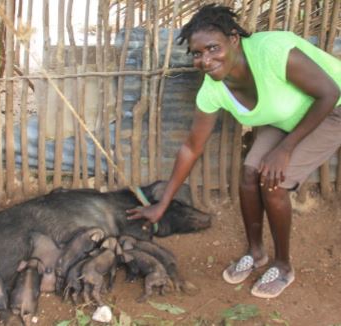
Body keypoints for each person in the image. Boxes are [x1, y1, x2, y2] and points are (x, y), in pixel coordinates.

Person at [127, 3, 341, 299]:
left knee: (273, 182)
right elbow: (191, 148)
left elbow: (329, 92)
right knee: (250, 173)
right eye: (198, 54)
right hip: (283, 117)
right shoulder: (213, 90)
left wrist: (286, 149)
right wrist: (163, 203)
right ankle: (256, 253)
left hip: (331, 109)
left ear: (234, 39)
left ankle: (283, 265)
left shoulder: (273, 52)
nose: (205, 60)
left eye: (213, 48)